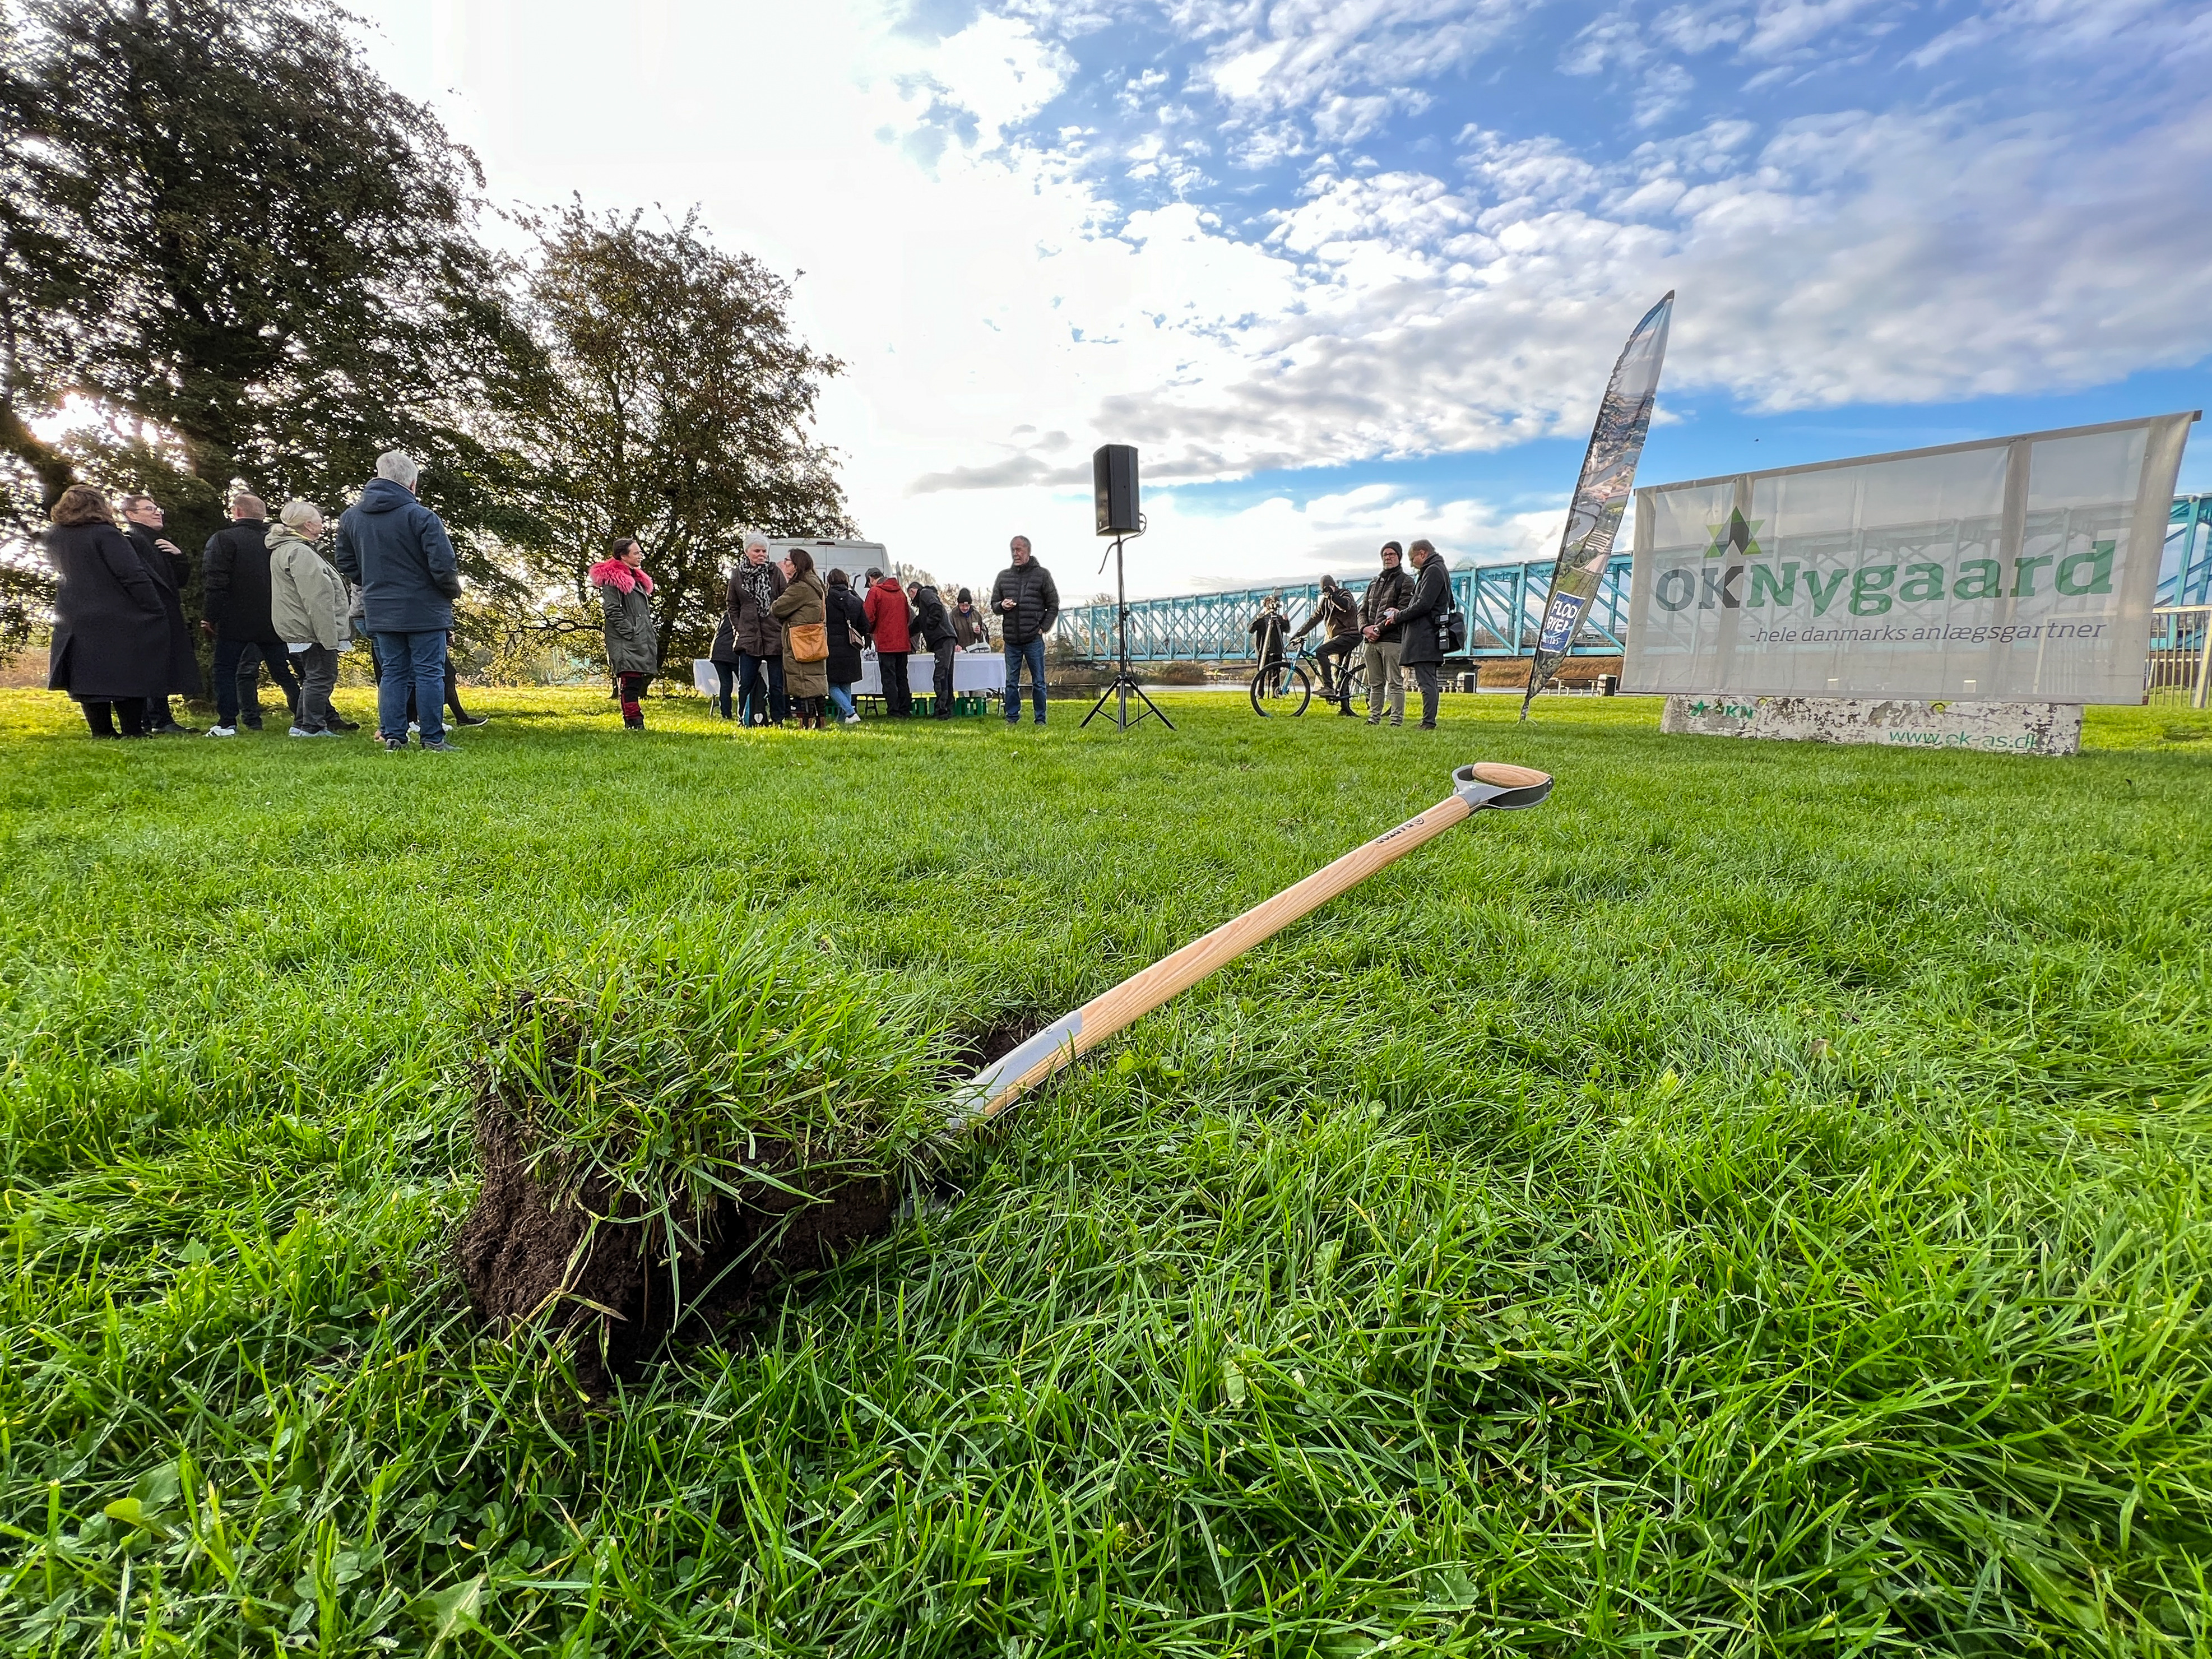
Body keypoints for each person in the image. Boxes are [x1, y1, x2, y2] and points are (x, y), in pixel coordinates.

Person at [332, 449, 463, 752]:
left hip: (380, 607)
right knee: (430, 671)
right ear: (413, 483)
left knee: (393, 672)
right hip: (425, 608)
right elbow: (443, 566)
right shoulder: (422, 517)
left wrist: (374, 580)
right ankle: (432, 738)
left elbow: (346, 563)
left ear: (378, 476)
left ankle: (394, 736)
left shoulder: (351, 518)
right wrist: (449, 592)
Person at [43, 485, 168, 738]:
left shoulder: (54, 536)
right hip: (116, 613)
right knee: (128, 671)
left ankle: (102, 731)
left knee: (87, 676)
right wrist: (154, 606)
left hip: (72, 613)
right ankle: (133, 731)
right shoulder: (107, 534)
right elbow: (132, 575)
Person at [201, 492, 303, 736]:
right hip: (273, 617)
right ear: (263, 514)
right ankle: (305, 717)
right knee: (282, 670)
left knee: (226, 668)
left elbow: (216, 581)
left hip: (235, 618)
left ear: (236, 512)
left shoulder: (225, 539)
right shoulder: (277, 541)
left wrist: (210, 616)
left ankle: (227, 722)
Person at [266, 501, 351, 737]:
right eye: (320, 521)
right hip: (310, 626)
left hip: (299, 624)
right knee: (322, 675)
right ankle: (312, 727)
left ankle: (302, 725)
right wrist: (329, 637)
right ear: (309, 525)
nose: (323, 525)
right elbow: (317, 598)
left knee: (314, 675)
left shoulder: (286, 548)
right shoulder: (300, 552)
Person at [118, 494, 202, 733]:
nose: (157, 513)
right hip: (145, 613)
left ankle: (157, 719)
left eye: (158, 508)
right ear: (131, 515)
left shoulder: (157, 541)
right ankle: (157, 720)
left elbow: (179, 582)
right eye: (149, 509)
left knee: (158, 663)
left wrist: (179, 557)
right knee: (150, 664)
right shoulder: (130, 539)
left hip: (162, 610)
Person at [590, 536, 657, 733]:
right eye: (636, 553)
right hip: (625, 640)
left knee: (635, 680)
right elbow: (612, 610)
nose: (640, 556)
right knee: (629, 682)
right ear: (623, 556)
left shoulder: (636, 578)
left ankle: (635, 721)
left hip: (637, 638)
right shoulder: (613, 580)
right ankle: (634, 722)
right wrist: (630, 631)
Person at [990, 534, 1058, 726]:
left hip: (1033, 638)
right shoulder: (1003, 577)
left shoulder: (1042, 575)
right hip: (1011, 639)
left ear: (1028, 551)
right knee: (1011, 682)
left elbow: (1053, 605)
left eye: (1019, 549)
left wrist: (1043, 628)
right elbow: (994, 606)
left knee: (1038, 682)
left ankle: (1040, 720)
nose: (1015, 553)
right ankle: (1012, 718)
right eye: (1013, 549)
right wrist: (1002, 605)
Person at [1386, 538, 1452, 730]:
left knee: (1426, 681)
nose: (1411, 564)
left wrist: (1399, 616)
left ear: (1422, 553)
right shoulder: (1437, 569)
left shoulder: (1433, 571)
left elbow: (1423, 604)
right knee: (1427, 679)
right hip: (1429, 632)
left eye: (1412, 558)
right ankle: (1427, 720)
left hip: (1426, 634)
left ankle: (1428, 722)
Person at [726, 534, 787, 726]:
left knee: (777, 683)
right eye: (757, 551)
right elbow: (732, 604)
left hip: (773, 634)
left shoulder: (774, 572)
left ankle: (778, 719)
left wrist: (780, 623)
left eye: (764, 551)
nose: (761, 554)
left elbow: (784, 599)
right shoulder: (737, 574)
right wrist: (740, 627)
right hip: (749, 636)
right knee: (746, 682)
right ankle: (743, 718)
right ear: (747, 552)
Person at [770, 547, 829, 730]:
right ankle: (820, 722)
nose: (784, 563)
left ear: (797, 566)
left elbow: (777, 608)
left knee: (803, 683)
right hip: (814, 638)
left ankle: (805, 723)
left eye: (787, 561)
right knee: (816, 682)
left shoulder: (800, 588)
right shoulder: (816, 583)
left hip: (799, 640)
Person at [1357, 541, 1414, 727]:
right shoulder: (1374, 583)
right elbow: (1362, 610)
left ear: (1399, 557)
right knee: (1375, 683)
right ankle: (1373, 719)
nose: (1387, 558)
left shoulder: (1406, 581)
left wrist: (1377, 629)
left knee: (1395, 683)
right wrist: (1364, 628)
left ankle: (1396, 721)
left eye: (1391, 554)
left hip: (1392, 640)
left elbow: (1402, 610)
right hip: (1371, 641)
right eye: (1384, 555)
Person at [1291, 574, 1361, 712]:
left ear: (1332, 586)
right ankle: (1345, 708)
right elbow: (1313, 619)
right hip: (1340, 636)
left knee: (1321, 652)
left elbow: (1345, 606)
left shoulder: (1345, 594)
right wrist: (1298, 634)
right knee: (1341, 671)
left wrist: (1333, 595)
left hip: (1351, 634)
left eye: (1326, 589)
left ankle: (1328, 687)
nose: (1325, 593)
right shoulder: (1325, 602)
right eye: (1323, 591)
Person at [863, 566, 914, 717]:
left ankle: (894, 710)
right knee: (902, 677)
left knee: (889, 678)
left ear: (871, 579)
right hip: (903, 642)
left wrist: (869, 631)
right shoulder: (901, 593)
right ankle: (905, 709)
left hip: (885, 643)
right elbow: (907, 616)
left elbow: (868, 617)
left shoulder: (875, 592)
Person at [824, 568, 870, 725]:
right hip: (851, 647)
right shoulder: (856, 601)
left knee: (831, 685)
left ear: (829, 582)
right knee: (845, 684)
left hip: (830, 646)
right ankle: (842, 720)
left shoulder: (825, 600)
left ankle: (850, 713)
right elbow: (865, 626)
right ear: (846, 581)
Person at [911, 580, 957, 718]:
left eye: (910, 595)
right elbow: (918, 623)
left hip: (941, 638)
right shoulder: (925, 606)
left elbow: (936, 608)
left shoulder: (925, 594)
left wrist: (930, 625)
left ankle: (941, 710)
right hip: (947, 638)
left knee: (940, 676)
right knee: (947, 675)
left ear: (913, 591)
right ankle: (948, 708)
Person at [1249, 595, 1290, 685]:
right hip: (1263, 650)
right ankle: (1260, 694)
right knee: (1261, 672)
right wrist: (1257, 619)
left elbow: (1287, 630)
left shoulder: (1278, 618)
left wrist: (1286, 621)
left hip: (1277, 650)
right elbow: (1250, 630)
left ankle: (1275, 693)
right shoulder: (1261, 619)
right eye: (1269, 603)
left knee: (1276, 673)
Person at [951, 586, 990, 650]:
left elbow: (984, 636)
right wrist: (955, 645)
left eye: (967, 606)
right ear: (958, 604)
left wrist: (979, 633)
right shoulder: (952, 616)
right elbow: (949, 635)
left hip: (973, 651)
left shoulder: (976, 615)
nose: (965, 608)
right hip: (958, 652)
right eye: (962, 605)